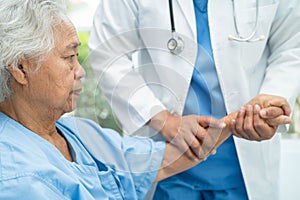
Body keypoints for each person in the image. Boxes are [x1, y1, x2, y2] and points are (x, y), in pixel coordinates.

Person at [0, 0, 286, 199]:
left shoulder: (79, 135)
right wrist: (165, 120)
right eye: (69, 57)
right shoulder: (19, 178)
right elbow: (110, 53)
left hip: (238, 167)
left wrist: (236, 122)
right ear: (21, 68)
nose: (81, 71)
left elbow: (148, 161)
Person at [88, 0, 300, 199]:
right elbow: (107, 51)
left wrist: (271, 101)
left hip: (243, 170)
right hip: (167, 165)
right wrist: (162, 118)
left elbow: (292, 46)